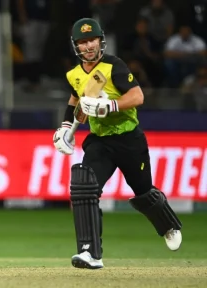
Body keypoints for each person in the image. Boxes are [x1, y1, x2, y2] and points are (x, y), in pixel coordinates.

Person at [52, 18, 183, 270]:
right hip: (100, 142)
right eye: (82, 42)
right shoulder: (74, 74)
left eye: (92, 40)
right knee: (84, 188)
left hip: (129, 139)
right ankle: (90, 253)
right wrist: (66, 128)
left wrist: (108, 105)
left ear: (100, 41)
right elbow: (74, 100)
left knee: (144, 192)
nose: (88, 46)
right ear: (75, 46)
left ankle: (168, 225)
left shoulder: (114, 66)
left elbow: (137, 96)